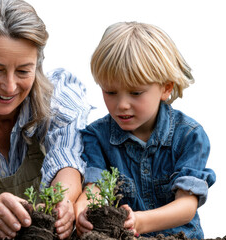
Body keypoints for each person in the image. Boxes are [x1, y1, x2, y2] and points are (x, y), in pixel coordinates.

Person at [0, 0, 92, 239]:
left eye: (23, 71)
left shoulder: (59, 99)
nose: (10, 86)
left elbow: (68, 156)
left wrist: (62, 201)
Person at [74, 21, 216, 239]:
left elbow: (186, 206)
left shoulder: (189, 135)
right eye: (110, 92)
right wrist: (82, 212)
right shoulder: (97, 136)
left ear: (165, 88)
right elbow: (95, 189)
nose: (121, 104)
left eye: (136, 93)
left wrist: (139, 221)